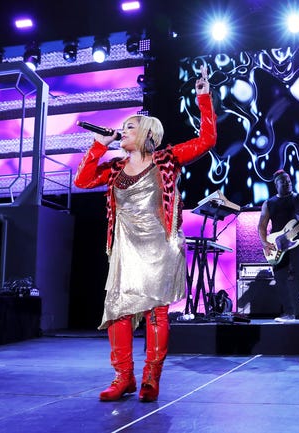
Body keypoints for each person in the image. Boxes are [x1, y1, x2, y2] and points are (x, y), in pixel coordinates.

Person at [74, 66, 216, 402]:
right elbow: (82, 180)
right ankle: (123, 377)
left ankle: (152, 377)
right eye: (122, 127)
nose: (122, 131)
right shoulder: (114, 169)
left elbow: (207, 140)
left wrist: (204, 97)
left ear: (147, 132)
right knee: (118, 308)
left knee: (156, 311)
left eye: (130, 127)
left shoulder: (167, 159)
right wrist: (98, 146)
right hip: (125, 248)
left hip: (159, 245)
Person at [258, 169, 299, 323]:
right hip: (278, 245)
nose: (287, 183)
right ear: (276, 185)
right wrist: (265, 243)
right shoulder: (269, 203)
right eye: (283, 182)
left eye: (288, 181)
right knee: (280, 279)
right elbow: (261, 226)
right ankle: (288, 313)